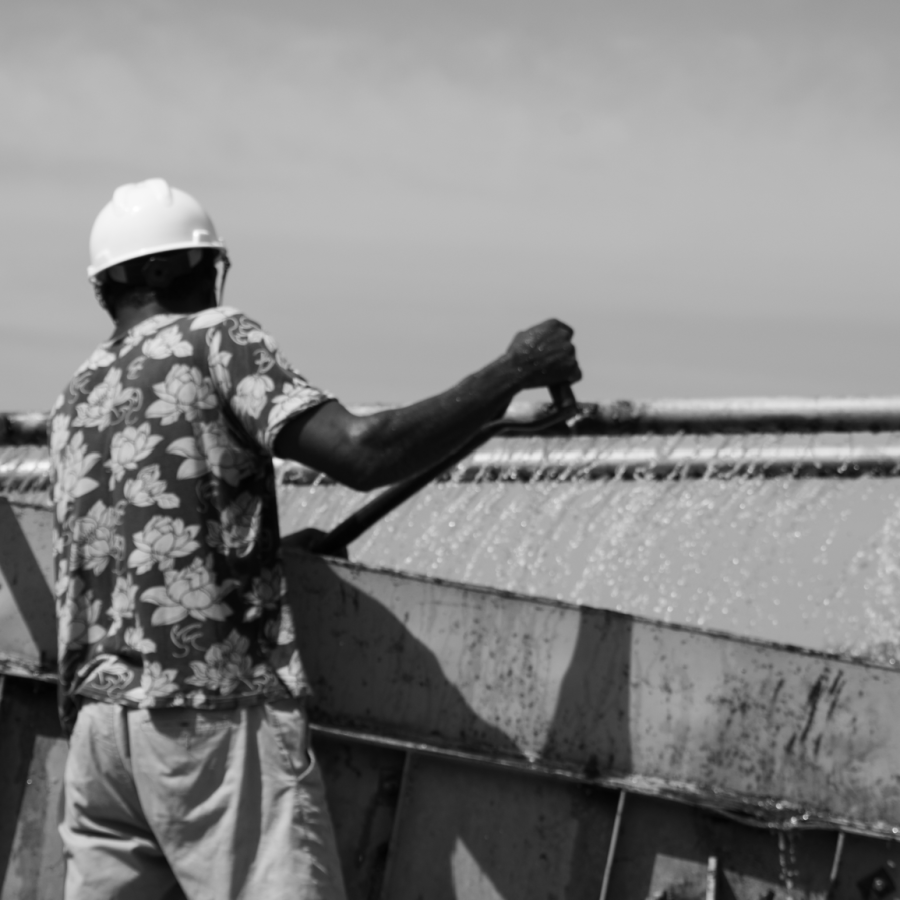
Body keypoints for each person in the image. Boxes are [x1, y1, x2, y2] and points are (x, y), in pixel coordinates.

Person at [50, 178, 581, 900]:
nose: (215, 287)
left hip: (99, 738)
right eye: (210, 269)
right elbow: (362, 452)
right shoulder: (214, 339)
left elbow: (145, 537)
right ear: (165, 268)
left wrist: (265, 556)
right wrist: (514, 370)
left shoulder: (79, 392)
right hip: (207, 715)